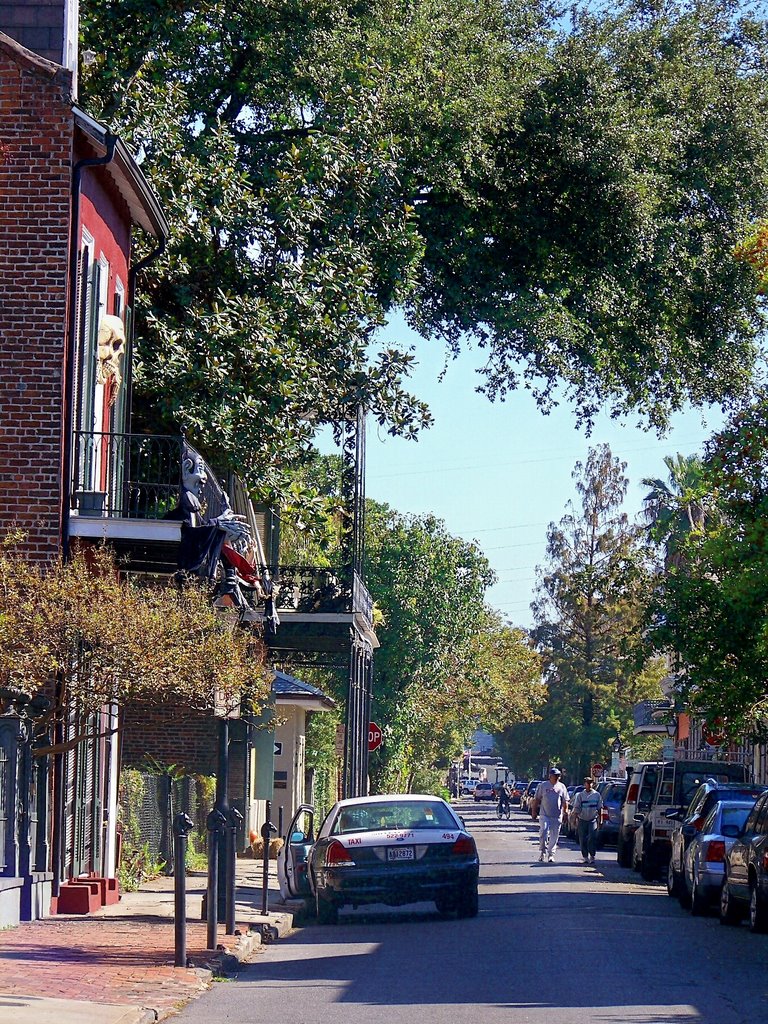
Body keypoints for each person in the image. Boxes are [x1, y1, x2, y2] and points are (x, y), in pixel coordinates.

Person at [531, 767, 569, 862]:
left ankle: (551, 854)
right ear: (550, 776)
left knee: (554, 836)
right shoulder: (543, 786)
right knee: (543, 832)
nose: (556, 778)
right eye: (554, 776)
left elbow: (565, 801)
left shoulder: (562, 787)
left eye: (558, 776)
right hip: (544, 814)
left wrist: (565, 813)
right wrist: (534, 811)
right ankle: (542, 851)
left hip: (557, 816)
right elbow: (537, 799)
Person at [572, 775, 603, 864]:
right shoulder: (580, 795)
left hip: (592, 819)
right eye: (587, 783)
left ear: (592, 784)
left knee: (592, 837)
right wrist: (574, 819)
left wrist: (600, 820)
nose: (589, 785)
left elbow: (600, 808)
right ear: (584, 784)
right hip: (582, 819)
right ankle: (585, 856)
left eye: (590, 783)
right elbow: (577, 808)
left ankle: (592, 855)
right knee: (582, 839)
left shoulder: (596, 795)